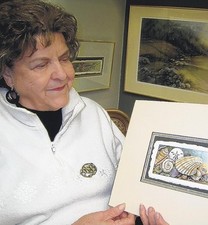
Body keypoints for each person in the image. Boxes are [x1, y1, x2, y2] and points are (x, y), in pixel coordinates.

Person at [0, 0, 169, 225]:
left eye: (64, 59)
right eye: (41, 65)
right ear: (7, 73)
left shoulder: (93, 113)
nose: (62, 74)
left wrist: (142, 214)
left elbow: (136, 184)